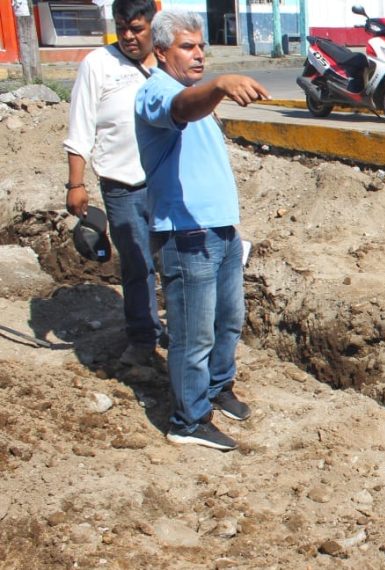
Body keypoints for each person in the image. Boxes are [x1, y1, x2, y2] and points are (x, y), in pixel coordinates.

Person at [135, 9, 270, 451]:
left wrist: (210, 89)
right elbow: (179, 110)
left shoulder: (194, 91)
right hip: (186, 235)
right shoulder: (159, 91)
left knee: (227, 320)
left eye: (200, 46)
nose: (198, 55)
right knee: (194, 335)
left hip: (221, 231)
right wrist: (217, 85)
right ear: (160, 51)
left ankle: (217, 388)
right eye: (186, 47)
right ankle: (188, 420)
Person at [63, 0, 163, 367]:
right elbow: (80, 128)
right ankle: (141, 336)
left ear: (153, 24)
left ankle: (174, 330)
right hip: (122, 184)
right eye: (121, 27)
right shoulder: (98, 65)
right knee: (137, 263)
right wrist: (76, 184)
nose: (127, 36)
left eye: (136, 28)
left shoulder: (169, 62)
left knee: (174, 261)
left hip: (166, 183)